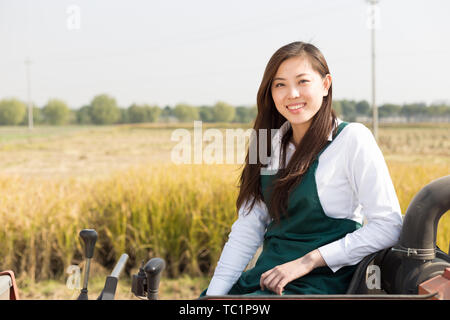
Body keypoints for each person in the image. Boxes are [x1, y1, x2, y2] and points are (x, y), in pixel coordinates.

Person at [201, 41, 403, 297]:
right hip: (267, 279)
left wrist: (308, 261)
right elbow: (247, 229)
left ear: (326, 84)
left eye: (303, 81)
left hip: (323, 283)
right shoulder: (266, 144)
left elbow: (388, 226)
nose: (292, 94)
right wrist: (214, 295)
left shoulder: (352, 139)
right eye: (280, 84)